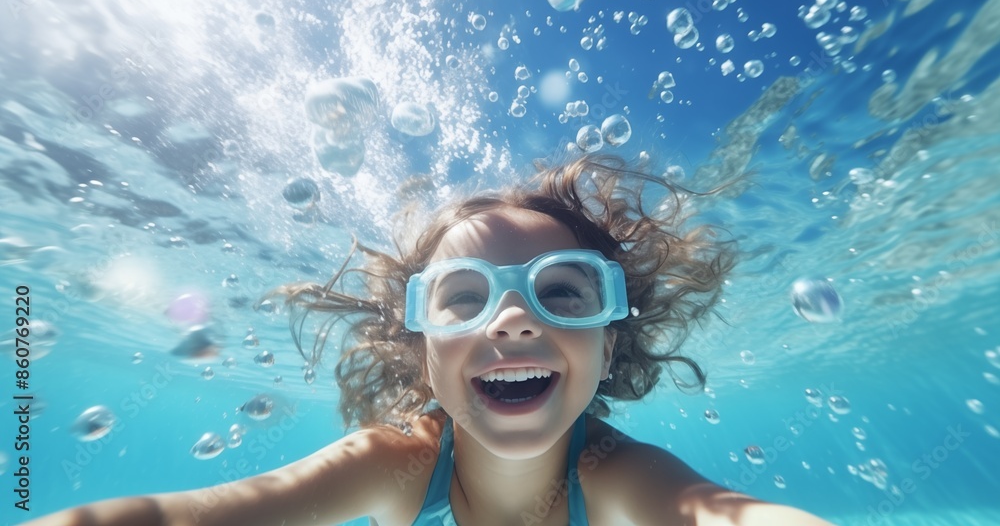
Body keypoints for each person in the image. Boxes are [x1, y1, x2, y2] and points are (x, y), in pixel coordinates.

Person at [26, 154, 833, 526]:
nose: (513, 322)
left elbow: (724, 516)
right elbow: (208, 513)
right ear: (419, 348)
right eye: (463, 301)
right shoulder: (398, 468)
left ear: (610, 340)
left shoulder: (621, 476)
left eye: (562, 294)